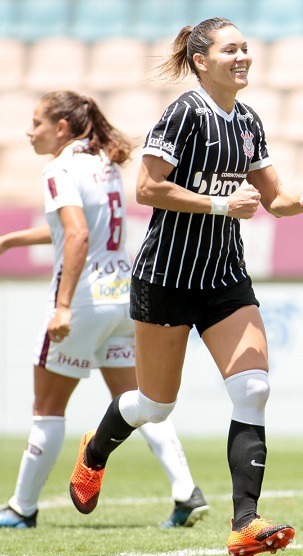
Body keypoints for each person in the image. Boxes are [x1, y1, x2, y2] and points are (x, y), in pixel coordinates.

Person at [66, 18, 303, 555]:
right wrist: (218, 204)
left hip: (224, 276)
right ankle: (95, 450)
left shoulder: (249, 121)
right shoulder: (185, 113)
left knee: (254, 388)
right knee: (155, 406)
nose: (244, 57)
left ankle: (245, 524)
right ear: (201, 60)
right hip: (167, 276)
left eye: (247, 48)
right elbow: (147, 188)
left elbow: (271, 199)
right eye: (232, 49)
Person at [0, 91, 208, 530]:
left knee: (47, 409)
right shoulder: (104, 164)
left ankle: (21, 508)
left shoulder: (58, 168)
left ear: (61, 127)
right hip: (122, 298)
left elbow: (75, 236)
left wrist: (61, 308)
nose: (28, 131)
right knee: (137, 401)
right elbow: (78, 228)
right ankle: (186, 491)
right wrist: (11, 240)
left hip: (83, 302)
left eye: (36, 122)